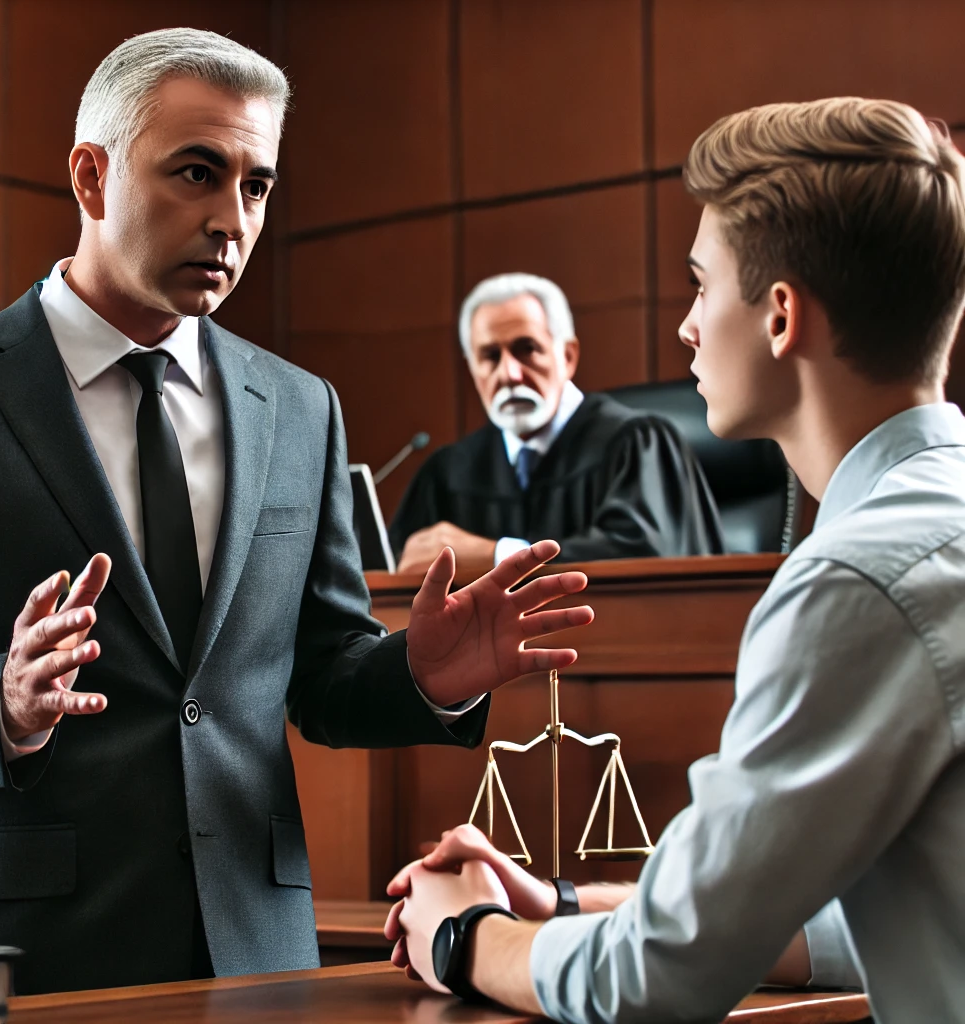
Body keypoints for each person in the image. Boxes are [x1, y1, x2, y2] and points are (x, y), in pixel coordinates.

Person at [0, 28, 596, 995]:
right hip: (29, 956)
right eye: (198, 174)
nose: (232, 222)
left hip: (258, 950)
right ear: (90, 175)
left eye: (256, 187)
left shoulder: (300, 406)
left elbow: (322, 677)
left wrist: (424, 677)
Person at [386, 97, 965, 1023]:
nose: (687, 328)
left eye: (700, 286)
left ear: (780, 317)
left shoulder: (855, 583)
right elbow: (903, 913)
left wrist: (466, 936)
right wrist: (572, 904)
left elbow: (655, 979)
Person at [388, 273, 724, 573]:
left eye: (527, 349)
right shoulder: (448, 472)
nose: (509, 374)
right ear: (472, 370)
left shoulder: (637, 444)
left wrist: (496, 556)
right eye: (490, 356)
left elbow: (649, 564)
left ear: (568, 356)